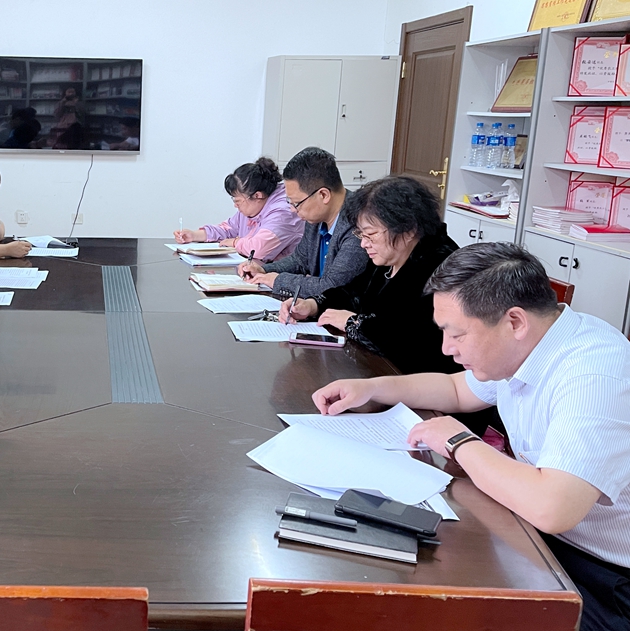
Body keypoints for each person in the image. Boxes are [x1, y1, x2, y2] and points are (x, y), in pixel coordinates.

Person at [312, 242, 630, 631]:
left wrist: (461, 442)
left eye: (456, 334)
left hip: (604, 578)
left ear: (514, 322)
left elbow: (554, 508)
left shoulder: (594, 374)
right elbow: (456, 390)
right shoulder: (532, 344)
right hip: (539, 538)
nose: (447, 349)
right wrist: (373, 388)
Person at [285, 176, 460, 375]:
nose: (364, 243)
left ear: (408, 229)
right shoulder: (391, 255)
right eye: (361, 234)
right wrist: (313, 305)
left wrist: (353, 323)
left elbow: (411, 339)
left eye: (370, 234)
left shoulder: (441, 267)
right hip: (376, 369)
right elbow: (355, 291)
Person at [237, 147, 367, 304]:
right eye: (290, 202)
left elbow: (331, 286)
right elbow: (299, 260)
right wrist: (263, 270)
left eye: (297, 203)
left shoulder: (359, 224)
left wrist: (277, 280)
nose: (293, 209)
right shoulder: (317, 216)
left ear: (323, 195)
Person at [173, 157, 304, 262]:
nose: (235, 206)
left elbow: (258, 249)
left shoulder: (284, 211)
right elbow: (229, 229)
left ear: (257, 195)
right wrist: (194, 235)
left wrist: (235, 242)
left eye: (237, 201)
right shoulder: (253, 206)